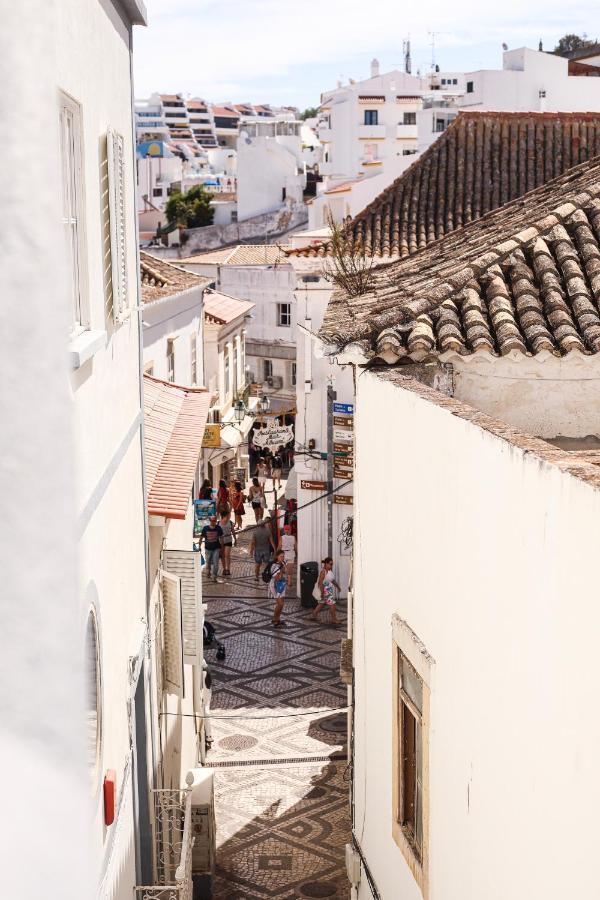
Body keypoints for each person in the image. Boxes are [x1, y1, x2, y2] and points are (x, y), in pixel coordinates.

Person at [310, 557, 341, 625]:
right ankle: (334, 619)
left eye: (332, 564)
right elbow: (320, 583)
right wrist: (322, 593)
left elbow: (332, 580)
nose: (331, 565)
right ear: (326, 564)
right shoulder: (323, 572)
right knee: (332, 604)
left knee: (321, 603)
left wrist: (338, 587)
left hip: (328, 590)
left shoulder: (329, 571)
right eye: (330, 564)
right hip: (325, 590)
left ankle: (314, 615)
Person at [200, 515, 223, 582]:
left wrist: (222, 548)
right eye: (212, 521)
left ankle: (214, 576)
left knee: (216, 563)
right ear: (209, 521)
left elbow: (221, 538)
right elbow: (201, 537)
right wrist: (199, 546)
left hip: (216, 548)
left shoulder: (218, 528)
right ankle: (208, 572)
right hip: (208, 548)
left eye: (215, 521)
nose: (213, 522)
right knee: (208, 562)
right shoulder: (205, 528)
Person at [268, 549, 287, 627]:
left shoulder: (281, 564)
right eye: (281, 556)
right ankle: (274, 620)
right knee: (280, 604)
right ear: (277, 557)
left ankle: (278, 619)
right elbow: (277, 578)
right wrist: (281, 572)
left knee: (281, 604)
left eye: (283, 556)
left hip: (281, 585)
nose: (282, 558)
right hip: (275, 585)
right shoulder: (275, 565)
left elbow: (284, 573)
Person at [219, 509, 235, 577]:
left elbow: (233, 531)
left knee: (227, 555)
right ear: (225, 516)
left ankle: (228, 569)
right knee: (222, 556)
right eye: (229, 515)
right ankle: (224, 569)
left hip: (228, 541)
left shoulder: (230, 522)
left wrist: (235, 539)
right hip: (220, 542)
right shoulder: (218, 523)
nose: (230, 516)